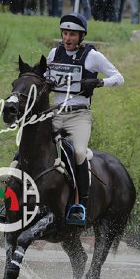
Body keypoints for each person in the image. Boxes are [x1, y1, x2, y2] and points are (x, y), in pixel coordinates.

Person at [47, 13, 124, 224]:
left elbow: (119, 78)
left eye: (72, 34)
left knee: (79, 152)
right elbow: (45, 78)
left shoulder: (92, 56)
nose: (67, 38)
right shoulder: (54, 53)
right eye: (65, 33)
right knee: (30, 146)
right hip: (56, 113)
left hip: (79, 116)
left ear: (81, 36)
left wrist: (99, 83)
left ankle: (80, 204)